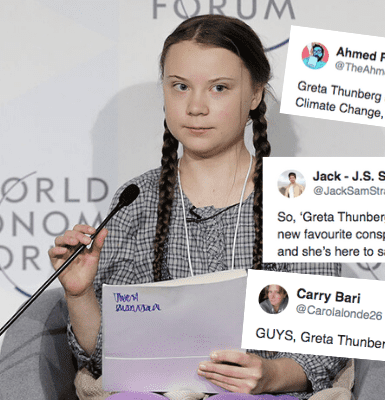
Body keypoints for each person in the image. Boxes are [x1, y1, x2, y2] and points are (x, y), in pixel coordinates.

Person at [48, 15, 347, 400]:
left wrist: (270, 376)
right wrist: (79, 295)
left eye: (219, 88)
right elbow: (108, 356)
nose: (195, 107)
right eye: (180, 87)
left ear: (255, 94)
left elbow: (321, 344)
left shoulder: (301, 200)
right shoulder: (137, 199)